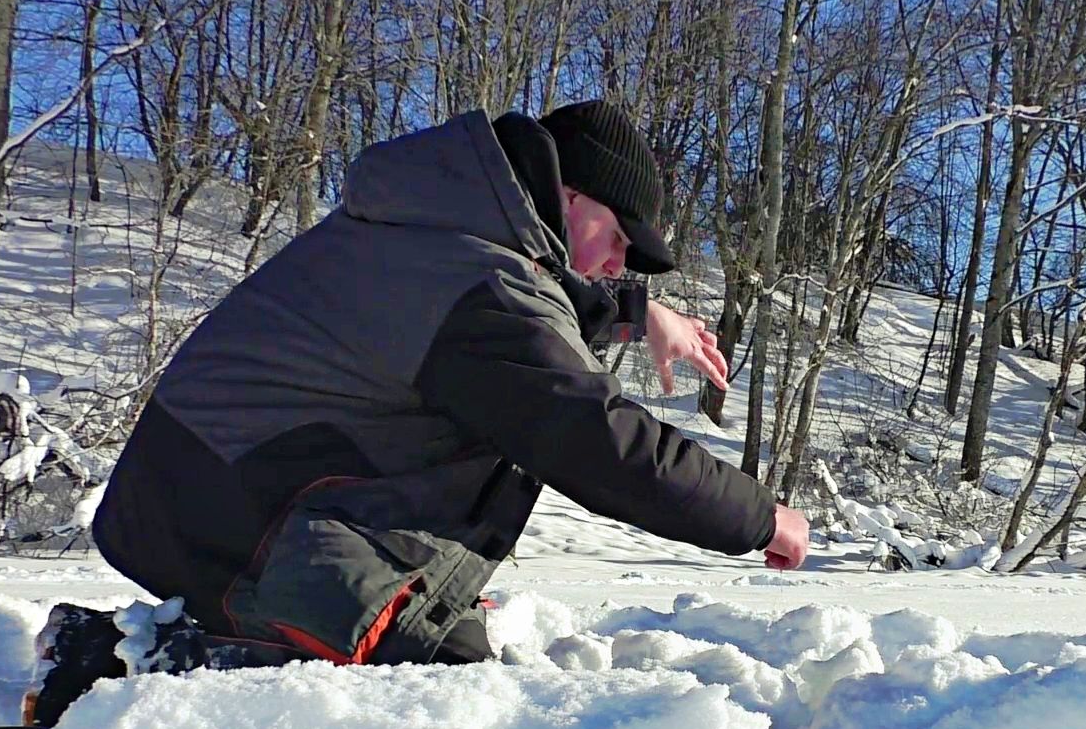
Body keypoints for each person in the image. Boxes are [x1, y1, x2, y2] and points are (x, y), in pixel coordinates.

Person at [76, 100, 808, 686]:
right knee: (408, 699)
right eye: (619, 238)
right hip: (239, 516)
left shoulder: (445, 232)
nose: (619, 264)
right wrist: (758, 515)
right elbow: (591, 438)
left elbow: (516, 324)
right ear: (567, 195)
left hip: (225, 496)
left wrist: (631, 312)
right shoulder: (477, 284)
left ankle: (190, 650)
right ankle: (117, 671)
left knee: (452, 665)